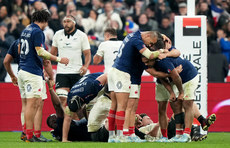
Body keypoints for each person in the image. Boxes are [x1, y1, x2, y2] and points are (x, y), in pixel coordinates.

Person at [17, 9, 69, 142]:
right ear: (45, 20)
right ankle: (30, 136)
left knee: (32, 103)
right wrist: (58, 59)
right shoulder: (38, 32)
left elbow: (19, 49)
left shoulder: (26, 30)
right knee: (32, 103)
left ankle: (30, 134)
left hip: (22, 70)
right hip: (32, 72)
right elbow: (40, 52)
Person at [107, 30, 166, 143]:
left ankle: (116, 136)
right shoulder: (137, 40)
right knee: (122, 106)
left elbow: (149, 45)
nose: (149, 46)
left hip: (117, 72)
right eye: (151, 43)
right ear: (148, 35)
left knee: (116, 106)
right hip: (122, 73)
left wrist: (161, 36)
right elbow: (149, 55)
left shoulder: (133, 36)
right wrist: (162, 51)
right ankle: (121, 135)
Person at [3, 39, 55, 142]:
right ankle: (36, 134)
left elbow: (6, 61)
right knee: (37, 105)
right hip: (34, 75)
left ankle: (25, 132)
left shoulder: (16, 42)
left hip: (21, 74)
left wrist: (12, 76)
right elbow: (46, 61)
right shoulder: (36, 41)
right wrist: (51, 77)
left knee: (26, 105)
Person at [50, 14, 91, 107]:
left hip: (77, 72)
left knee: (77, 103)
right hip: (62, 72)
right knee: (61, 101)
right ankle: (62, 121)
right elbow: (52, 54)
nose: (66, 24)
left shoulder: (82, 35)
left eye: (68, 21)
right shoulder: (57, 34)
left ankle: (76, 121)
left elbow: (87, 54)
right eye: (64, 22)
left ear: (74, 23)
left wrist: (85, 66)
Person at [62, 72, 107, 142]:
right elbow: (67, 117)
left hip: (102, 80)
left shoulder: (90, 89)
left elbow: (106, 76)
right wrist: (64, 139)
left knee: (104, 105)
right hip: (88, 87)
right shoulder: (70, 96)